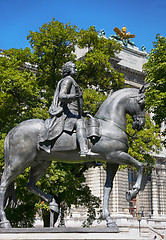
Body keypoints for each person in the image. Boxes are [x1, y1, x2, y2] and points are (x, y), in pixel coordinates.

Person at [38, 61, 98, 157]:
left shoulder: (72, 81)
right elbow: (62, 96)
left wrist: (82, 112)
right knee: (80, 123)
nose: (76, 70)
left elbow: (75, 104)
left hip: (75, 114)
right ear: (68, 69)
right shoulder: (68, 80)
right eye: (74, 68)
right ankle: (84, 150)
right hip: (67, 115)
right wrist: (74, 95)